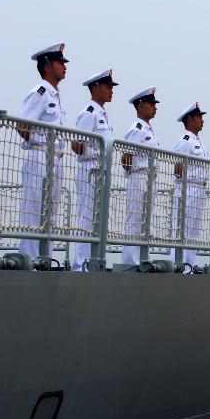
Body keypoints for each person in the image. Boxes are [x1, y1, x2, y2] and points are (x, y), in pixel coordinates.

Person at [17, 43, 68, 261]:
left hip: (55, 158)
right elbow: (22, 125)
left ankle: (45, 258)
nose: (64, 67)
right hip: (40, 155)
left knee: (51, 213)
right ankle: (29, 258)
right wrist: (39, 144)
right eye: (60, 63)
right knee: (34, 210)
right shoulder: (40, 93)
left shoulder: (56, 95)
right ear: (47, 66)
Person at [71, 69, 118, 271]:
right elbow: (76, 143)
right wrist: (90, 154)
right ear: (96, 87)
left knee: (99, 219)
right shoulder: (89, 113)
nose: (111, 91)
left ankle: (94, 260)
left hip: (102, 169)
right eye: (108, 87)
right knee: (86, 217)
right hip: (90, 168)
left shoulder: (103, 115)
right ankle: (80, 264)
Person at [120, 87, 160, 266]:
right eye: (151, 104)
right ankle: (131, 260)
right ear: (140, 105)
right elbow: (126, 156)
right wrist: (133, 173)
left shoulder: (149, 129)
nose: (155, 107)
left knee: (145, 221)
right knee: (135, 219)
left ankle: (143, 257)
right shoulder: (136, 128)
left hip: (150, 177)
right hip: (138, 175)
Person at [172, 102, 210, 273]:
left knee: (194, 231)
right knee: (183, 229)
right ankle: (178, 265)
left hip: (200, 189)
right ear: (190, 119)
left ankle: (189, 265)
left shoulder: (199, 143)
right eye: (199, 117)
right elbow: (178, 168)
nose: (202, 120)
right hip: (188, 188)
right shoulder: (185, 140)